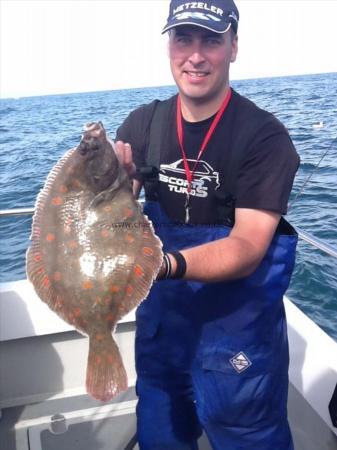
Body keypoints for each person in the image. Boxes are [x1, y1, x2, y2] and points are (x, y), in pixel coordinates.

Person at [115, 1, 300, 449]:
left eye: (211, 40)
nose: (195, 55)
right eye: (183, 38)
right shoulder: (143, 125)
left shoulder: (264, 137)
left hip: (239, 346)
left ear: (233, 47)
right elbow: (116, 222)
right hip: (163, 339)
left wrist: (159, 265)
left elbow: (247, 247)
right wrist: (114, 190)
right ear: (169, 46)